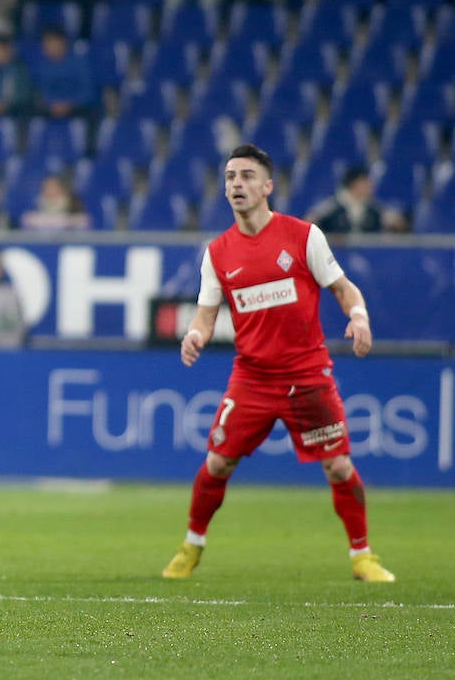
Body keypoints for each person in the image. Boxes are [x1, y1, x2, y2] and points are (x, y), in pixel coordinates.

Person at [163, 144, 394, 583]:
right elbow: (207, 314)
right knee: (217, 464)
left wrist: (359, 318)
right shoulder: (218, 252)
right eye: (231, 177)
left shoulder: (304, 236)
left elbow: (345, 289)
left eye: (247, 176)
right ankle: (191, 546)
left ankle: (363, 556)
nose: (237, 184)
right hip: (252, 377)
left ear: (268, 186)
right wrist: (194, 335)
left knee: (340, 466)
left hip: (307, 375)